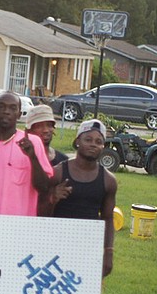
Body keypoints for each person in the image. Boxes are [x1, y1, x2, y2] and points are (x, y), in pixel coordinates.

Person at [50, 119, 118, 278]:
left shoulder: (108, 180)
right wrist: (52, 197)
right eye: (88, 139)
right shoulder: (58, 173)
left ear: (103, 147)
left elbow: (108, 218)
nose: (93, 144)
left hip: (88, 246)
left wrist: (108, 252)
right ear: (77, 141)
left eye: (99, 141)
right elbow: (40, 209)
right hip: (55, 242)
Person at [0, 92, 53, 216]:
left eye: (13, 108)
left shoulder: (32, 142)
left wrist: (32, 157)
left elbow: (44, 187)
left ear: (19, 114)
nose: (7, 111)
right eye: (1, 106)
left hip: (20, 226)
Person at [26, 104, 69, 216]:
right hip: (26, 217)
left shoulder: (63, 161)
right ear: (28, 130)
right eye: (39, 126)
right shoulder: (22, 159)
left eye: (49, 125)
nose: (46, 130)